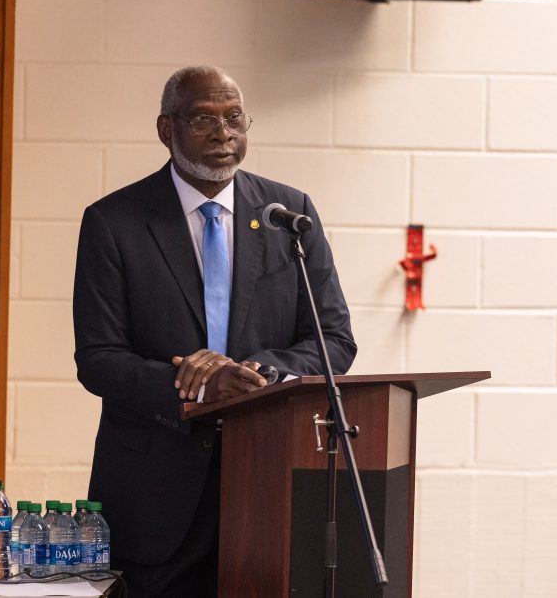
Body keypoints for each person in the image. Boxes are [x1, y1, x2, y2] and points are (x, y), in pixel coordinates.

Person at [72, 65, 356, 597]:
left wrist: (260, 373)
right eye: (204, 119)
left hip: (270, 477)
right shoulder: (114, 221)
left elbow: (335, 339)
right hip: (155, 488)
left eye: (235, 119)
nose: (223, 134)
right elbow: (99, 358)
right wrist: (198, 384)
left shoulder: (288, 214)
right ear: (166, 129)